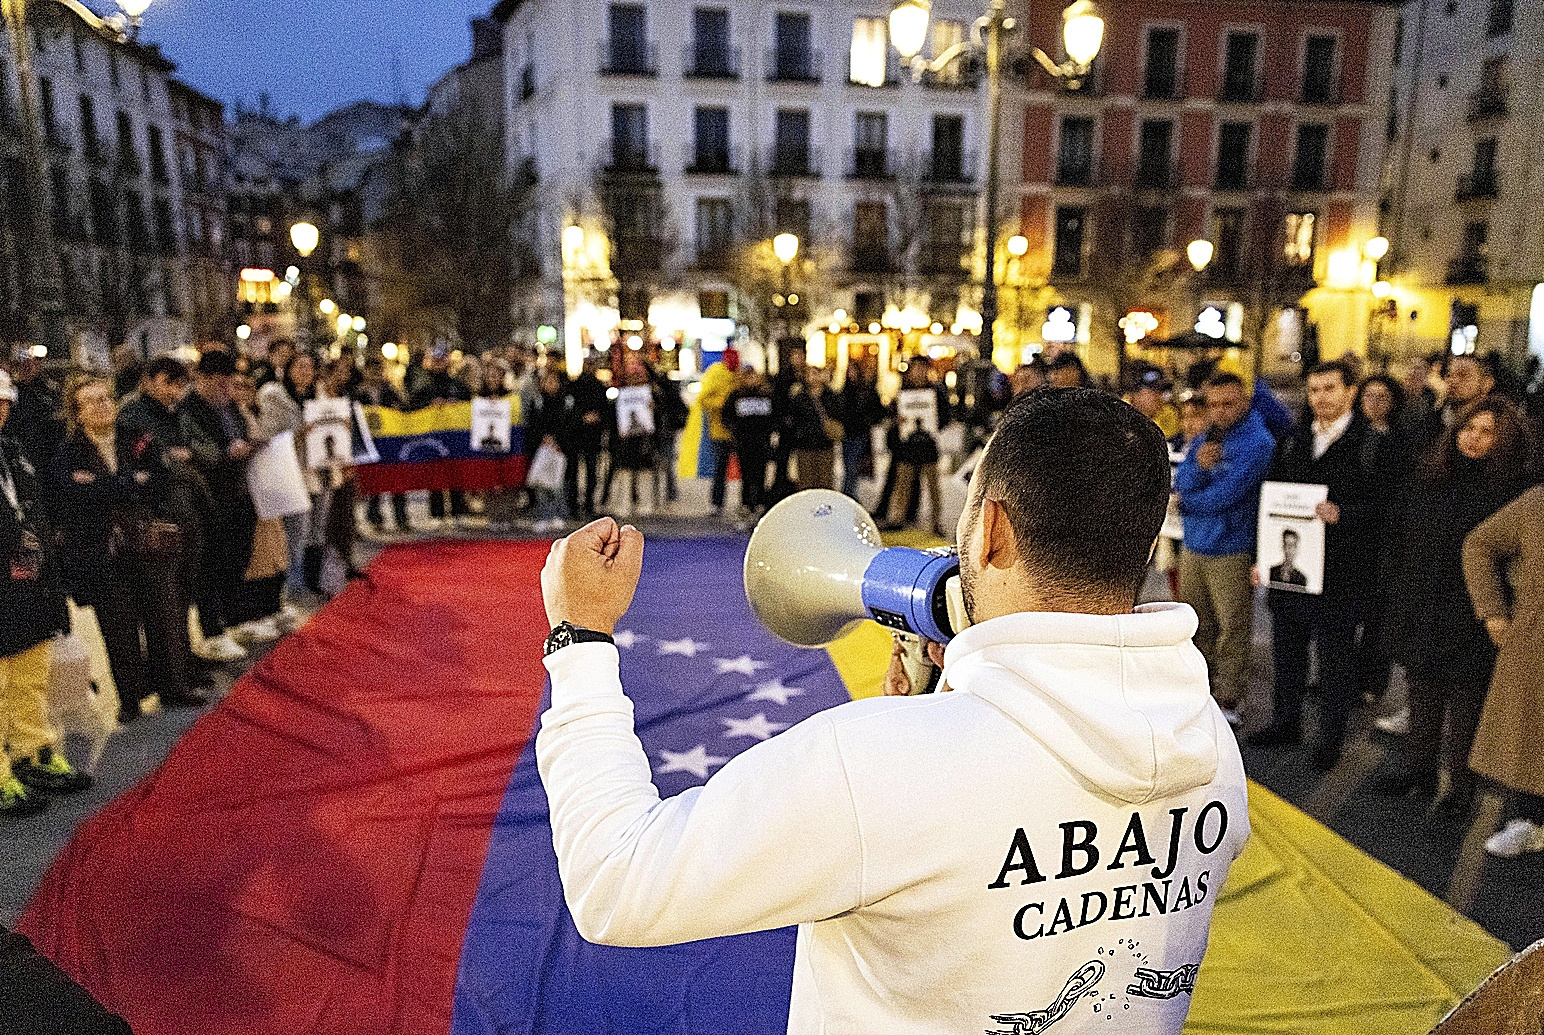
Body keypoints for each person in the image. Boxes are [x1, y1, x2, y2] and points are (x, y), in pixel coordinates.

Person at [535, 387, 1248, 1033]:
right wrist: (949, 704)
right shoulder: (1210, 739)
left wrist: (579, 639)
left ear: (991, 530)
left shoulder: (873, 763)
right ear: (1143, 542)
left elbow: (615, 881)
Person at [1379, 397, 1536, 817]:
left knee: (1467, 705)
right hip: (1421, 602)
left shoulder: (1514, 489)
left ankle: (1461, 788)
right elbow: (1400, 530)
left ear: (1506, 441)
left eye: (1488, 433)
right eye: (1469, 428)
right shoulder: (1431, 474)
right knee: (1422, 692)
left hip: (1474, 610)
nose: (1473, 438)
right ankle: (1419, 770)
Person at [1249, 361, 1383, 769]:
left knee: (1334, 661)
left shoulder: (1372, 443)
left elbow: (1390, 508)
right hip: (1291, 570)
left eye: (1329, 388)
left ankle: (1329, 739)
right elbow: (1269, 501)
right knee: (1287, 652)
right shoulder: (1293, 440)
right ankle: (1285, 722)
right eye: (1314, 390)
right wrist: (1262, 558)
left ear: (1350, 392)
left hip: (1342, 573)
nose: (1320, 397)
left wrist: (1345, 514)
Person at [0, 370, 92, 817]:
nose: (0, 410)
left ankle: (31, 753)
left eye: (3, 402)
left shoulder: (12, 450)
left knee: (30, 677)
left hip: (26, 584)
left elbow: (34, 509)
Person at [1173, 373, 1277, 722]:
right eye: (1213, 404)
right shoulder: (1207, 436)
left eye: (1228, 404)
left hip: (1232, 546)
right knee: (1195, 623)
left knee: (1232, 628)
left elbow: (1229, 494)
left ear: (1245, 401)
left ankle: (1229, 698)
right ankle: (1200, 690)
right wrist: (1200, 468)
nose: (1219, 411)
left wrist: (1187, 503)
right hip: (1195, 543)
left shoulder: (1258, 442)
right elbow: (1182, 480)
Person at [1463, 485, 1544, 857]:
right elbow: (1479, 545)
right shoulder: (1538, 502)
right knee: (1532, 738)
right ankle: (1529, 821)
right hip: (1535, 642)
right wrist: (1493, 611)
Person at [178, 350, 255, 663]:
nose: (225, 389)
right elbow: (194, 450)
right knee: (210, 564)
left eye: (229, 383)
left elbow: (243, 432)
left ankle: (232, 619)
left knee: (236, 557)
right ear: (202, 379)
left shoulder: (230, 407)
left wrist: (246, 443)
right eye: (220, 383)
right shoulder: (189, 410)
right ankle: (211, 630)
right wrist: (225, 453)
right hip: (208, 496)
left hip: (236, 492)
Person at [1355, 374, 1411, 718]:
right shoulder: (1352, 435)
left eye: (1382, 397)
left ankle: (1372, 681)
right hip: (1353, 537)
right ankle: (1345, 675)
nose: (1374, 403)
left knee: (1377, 615)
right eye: (1369, 396)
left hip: (1383, 539)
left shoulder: (1401, 441)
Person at [409, 345, 473, 527]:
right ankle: (436, 513)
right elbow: (412, 407)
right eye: (435, 361)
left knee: (456, 475)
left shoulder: (458, 386)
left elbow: (470, 404)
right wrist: (429, 405)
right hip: (433, 440)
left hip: (454, 439)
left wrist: (455, 405)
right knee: (434, 475)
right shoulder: (424, 388)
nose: (438, 365)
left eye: (441, 361)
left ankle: (458, 512)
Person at [885, 357, 950, 535]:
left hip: (928, 445)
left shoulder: (936, 391)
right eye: (915, 368)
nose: (918, 372)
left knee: (933, 486)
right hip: (908, 446)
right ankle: (897, 518)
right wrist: (899, 421)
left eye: (922, 368)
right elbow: (893, 415)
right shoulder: (903, 391)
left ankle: (936, 522)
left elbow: (945, 416)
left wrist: (934, 422)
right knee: (903, 484)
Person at [353, 356, 410, 534]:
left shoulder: (389, 389)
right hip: (370, 442)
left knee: (396, 480)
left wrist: (396, 408)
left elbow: (404, 407)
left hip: (389, 443)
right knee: (374, 481)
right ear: (366, 371)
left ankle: (401, 518)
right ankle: (374, 517)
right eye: (372, 370)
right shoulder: (359, 392)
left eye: (378, 370)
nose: (375, 374)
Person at [723, 363, 776, 516]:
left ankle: (759, 502)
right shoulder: (736, 395)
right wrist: (735, 431)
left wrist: (770, 432)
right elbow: (726, 416)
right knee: (746, 474)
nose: (751, 379)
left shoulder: (766, 395)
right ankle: (746, 503)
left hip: (761, 441)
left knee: (761, 474)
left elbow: (774, 416)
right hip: (743, 441)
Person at [561, 355, 609, 521]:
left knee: (592, 472)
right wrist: (582, 417)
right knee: (573, 472)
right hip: (575, 435)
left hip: (592, 436)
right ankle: (573, 506)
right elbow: (567, 411)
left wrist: (597, 417)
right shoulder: (573, 386)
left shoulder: (599, 387)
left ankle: (589, 505)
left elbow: (605, 411)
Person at [524, 367, 569, 534]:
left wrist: (558, 442)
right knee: (541, 485)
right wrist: (542, 439)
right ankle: (542, 517)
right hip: (541, 449)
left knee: (558, 485)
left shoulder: (565, 402)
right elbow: (532, 425)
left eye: (553, 381)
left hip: (559, 449)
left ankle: (558, 515)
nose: (551, 384)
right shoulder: (537, 402)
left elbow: (567, 425)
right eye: (547, 381)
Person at [697, 348, 739, 514]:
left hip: (739, 430)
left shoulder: (738, 374)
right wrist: (724, 404)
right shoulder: (716, 372)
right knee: (720, 468)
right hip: (720, 430)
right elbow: (703, 398)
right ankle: (717, 502)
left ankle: (746, 503)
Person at [783, 364, 836, 492]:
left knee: (824, 482)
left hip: (824, 444)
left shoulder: (830, 396)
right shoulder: (800, 397)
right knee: (806, 482)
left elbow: (838, 414)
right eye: (810, 374)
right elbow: (792, 418)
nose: (814, 377)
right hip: (805, 445)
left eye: (816, 373)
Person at [835, 361, 884, 500]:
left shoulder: (866, 391)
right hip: (847, 434)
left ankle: (848, 494)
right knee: (848, 466)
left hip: (859, 433)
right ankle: (848, 494)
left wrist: (868, 420)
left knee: (852, 466)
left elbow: (877, 411)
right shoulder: (844, 392)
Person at [1127, 365, 1179, 439]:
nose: (1160, 397)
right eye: (1153, 392)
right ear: (1136, 395)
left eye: (1161, 391)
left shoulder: (1168, 413)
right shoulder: (1119, 416)